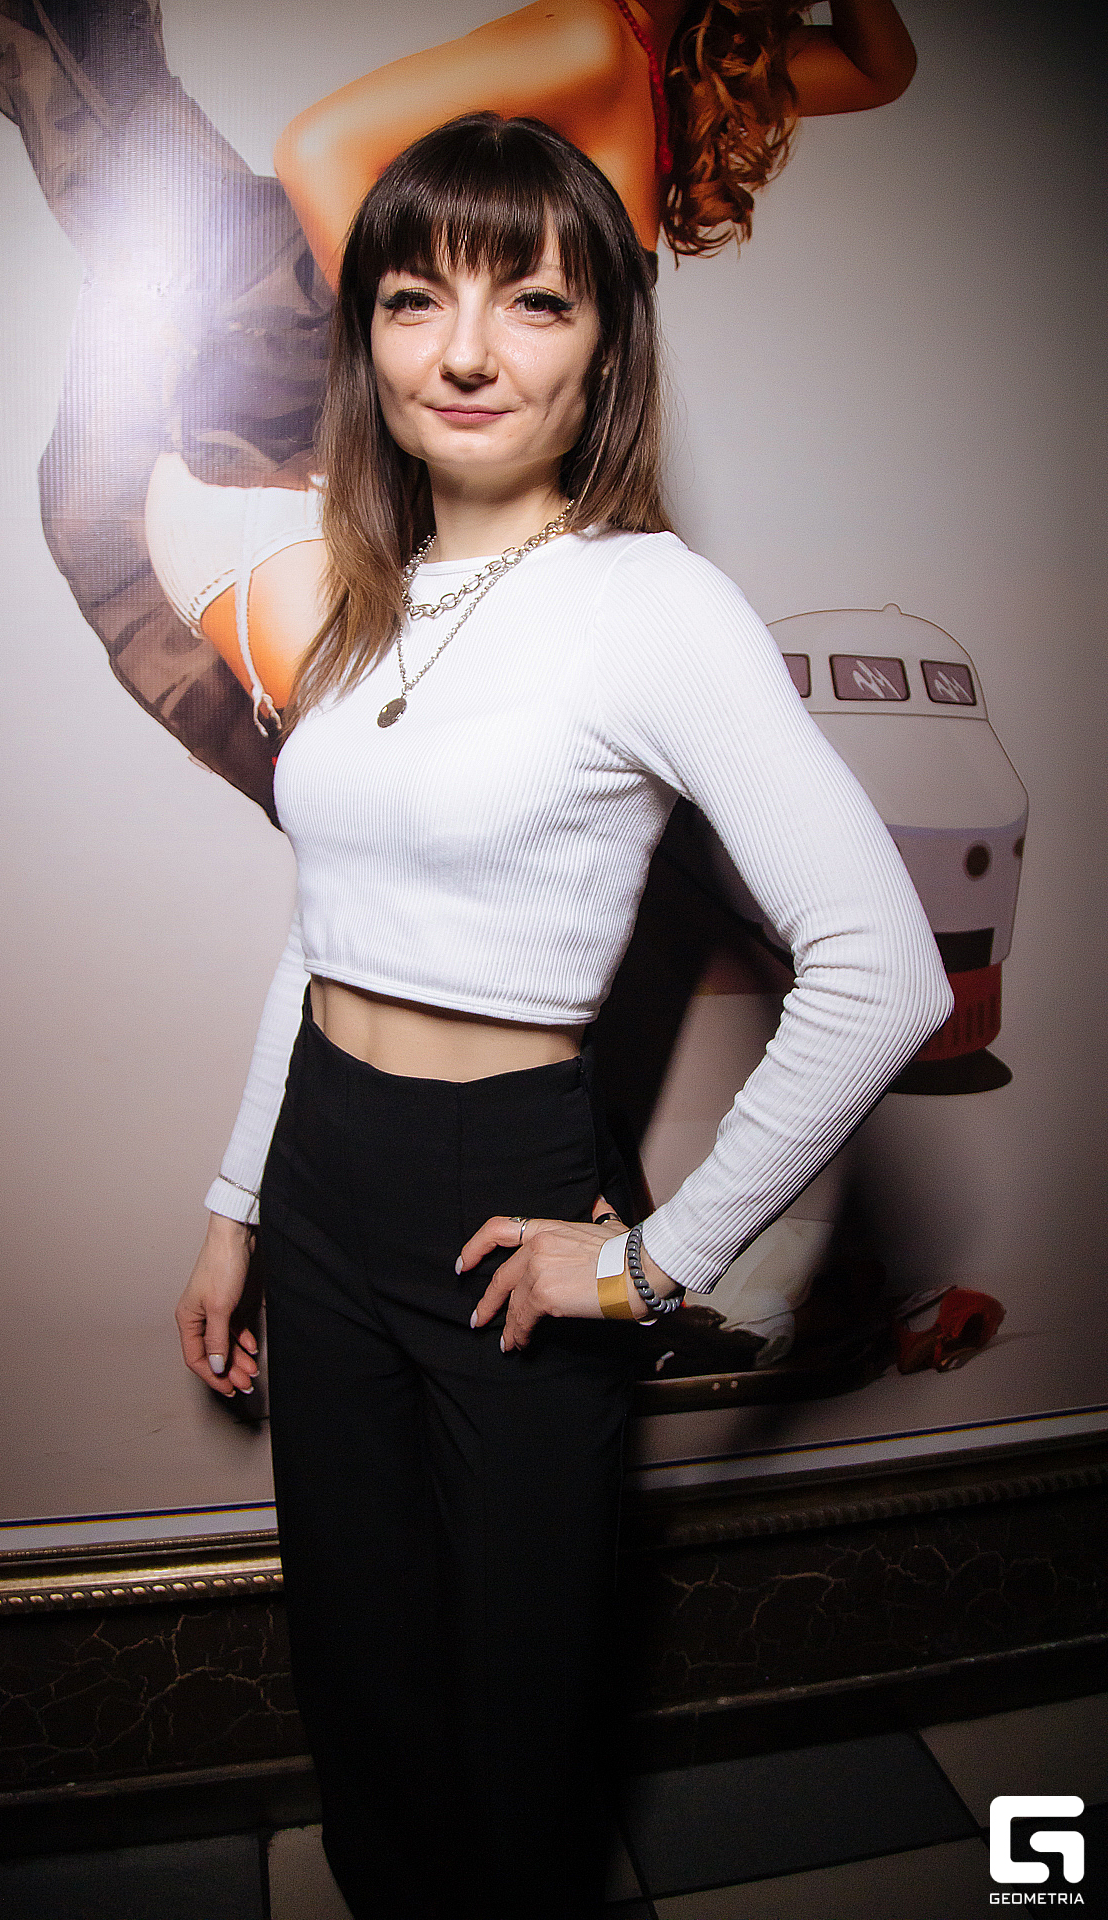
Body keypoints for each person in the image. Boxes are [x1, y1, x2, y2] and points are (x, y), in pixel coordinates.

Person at [169, 113, 952, 1919]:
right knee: (357, 1665)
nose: (465, 352)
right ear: (366, 338)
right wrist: (236, 1206)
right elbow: (328, 935)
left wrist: (656, 1264)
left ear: (603, 347)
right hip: (323, 1167)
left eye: (531, 301)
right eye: (415, 300)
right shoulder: (359, 595)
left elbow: (884, 969)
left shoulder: (651, 604)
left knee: (517, 1706)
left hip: (500, 1183)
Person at [0, 0, 916, 812]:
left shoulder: (674, 71)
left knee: (112, 501)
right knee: (132, 204)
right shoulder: (598, 37)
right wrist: (407, 375)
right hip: (309, 345)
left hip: (378, 382)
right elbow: (320, 150)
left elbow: (880, 69)